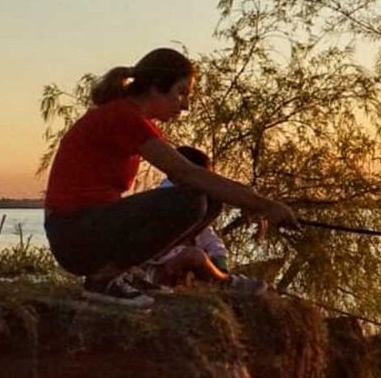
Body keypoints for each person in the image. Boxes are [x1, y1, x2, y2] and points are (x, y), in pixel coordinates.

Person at [43, 47, 295, 307]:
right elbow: (186, 173)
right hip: (73, 233)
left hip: (86, 230)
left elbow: (195, 176)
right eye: (181, 93)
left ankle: (127, 273)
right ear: (155, 87)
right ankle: (104, 280)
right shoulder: (123, 117)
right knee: (190, 200)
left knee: (210, 200)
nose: (185, 105)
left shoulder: (132, 119)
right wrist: (263, 204)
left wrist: (248, 202)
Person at [145, 145, 262, 293]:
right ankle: (225, 284)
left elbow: (212, 242)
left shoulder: (195, 204)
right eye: (205, 178)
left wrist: (220, 266)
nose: (209, 184)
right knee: (195, 256)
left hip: (172, 266)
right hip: (152, 268)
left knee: (198, 254)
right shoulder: (168, 199)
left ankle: (220, 279)